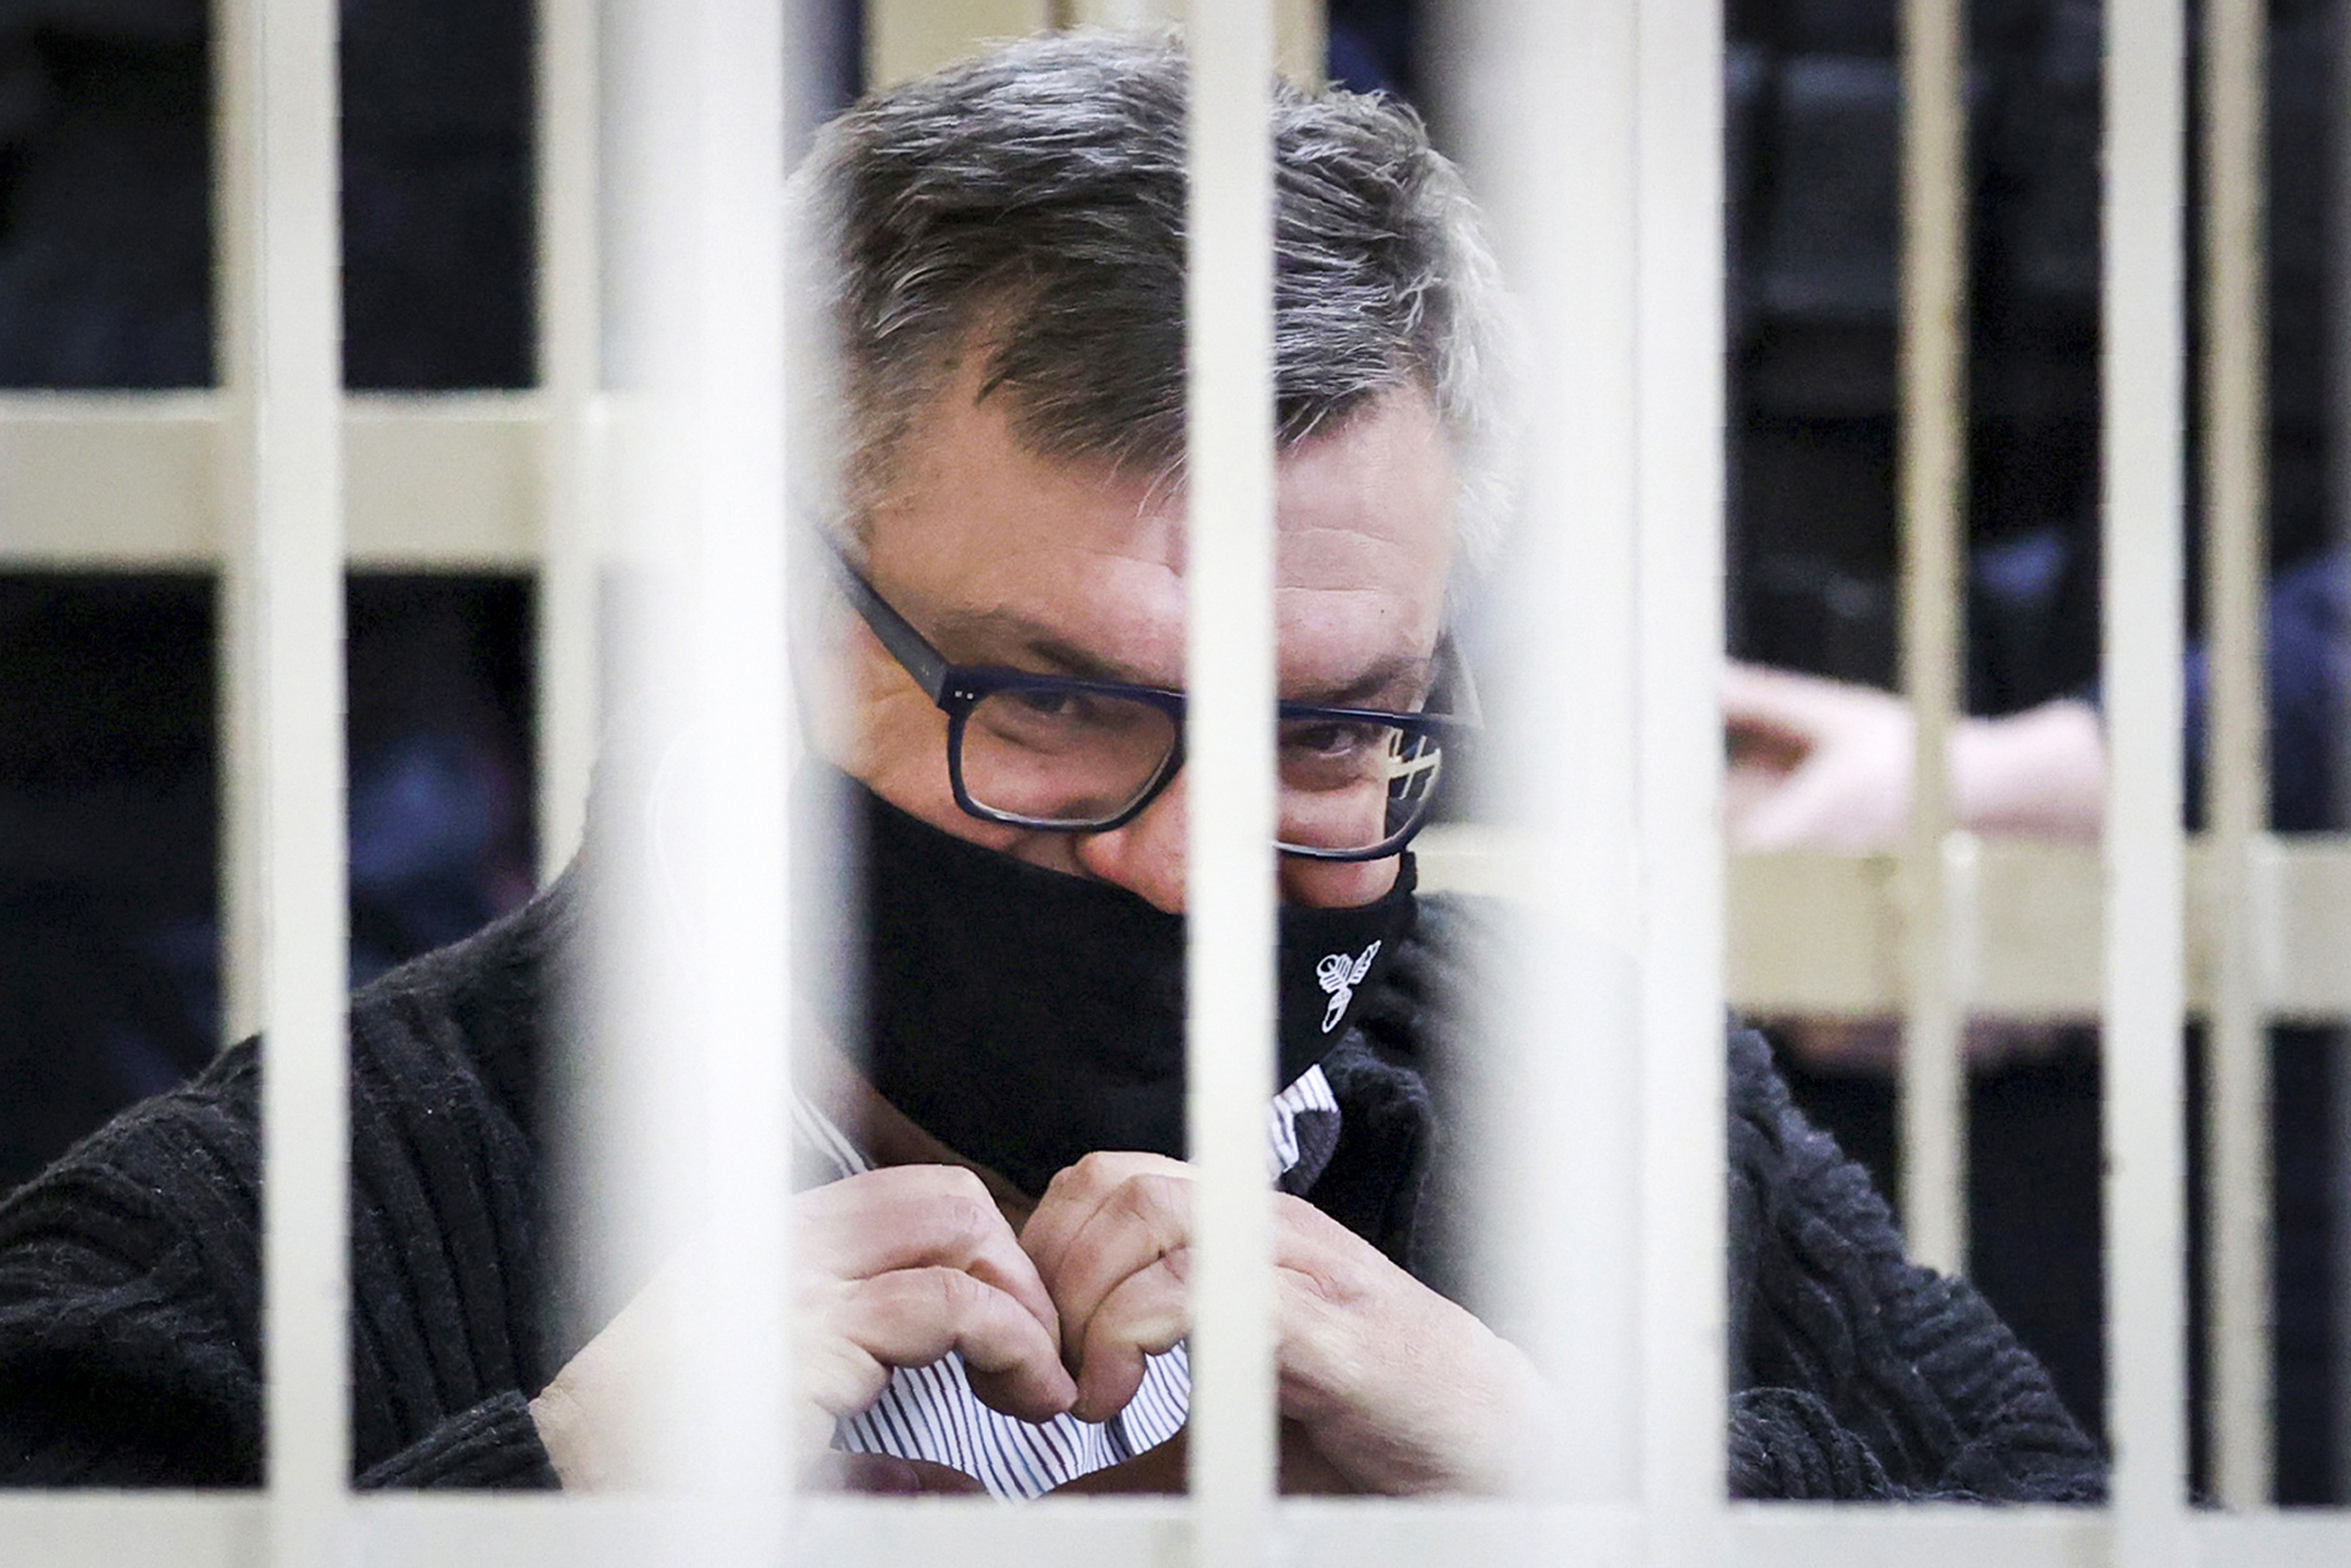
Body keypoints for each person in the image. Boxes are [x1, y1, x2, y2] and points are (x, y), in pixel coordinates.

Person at [0, 32, 2101, 1501]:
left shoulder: (1599, 1105)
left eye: (1332, 730)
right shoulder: (246, 1254)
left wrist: (1577, 1485)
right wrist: (547, 1500)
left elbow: (2049, 1512)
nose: (1195, 867)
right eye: (1058, 703)